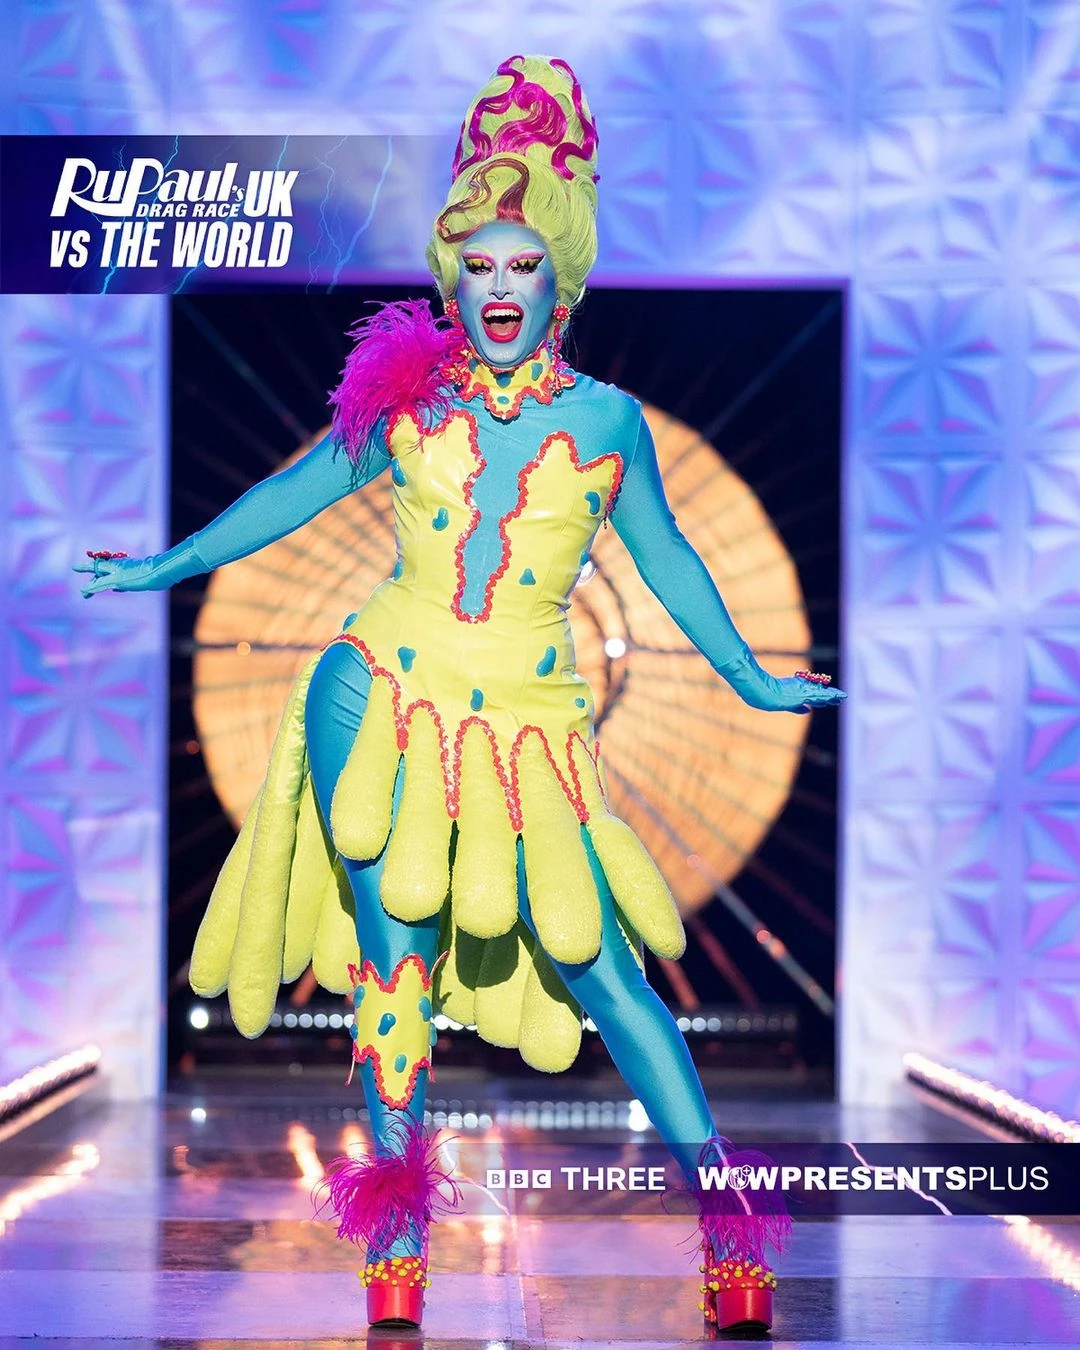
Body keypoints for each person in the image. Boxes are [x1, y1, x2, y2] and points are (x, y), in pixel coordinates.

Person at [76, 55, 845, 1334]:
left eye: (522, 264)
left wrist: (751, 677)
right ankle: (394, 1246)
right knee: (396, 976)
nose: (497, 286)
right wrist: (170, 562)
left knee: (601, 968)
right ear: (451, 277)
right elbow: (294, 491)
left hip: (530, 731)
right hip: (376, 696)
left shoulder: (609, 424)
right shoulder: (406, 398)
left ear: (562, 280)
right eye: (477, 263)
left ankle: (730, 1219)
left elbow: (668, 558)